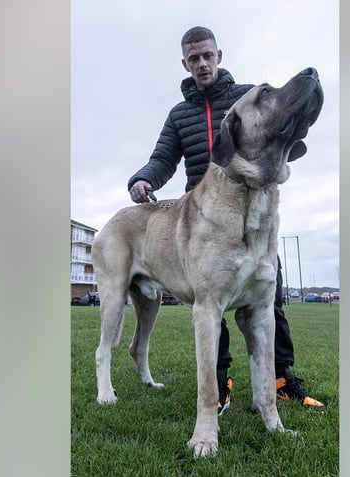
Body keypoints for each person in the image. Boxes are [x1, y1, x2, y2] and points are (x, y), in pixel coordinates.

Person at [128, 26, 325, 413]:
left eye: (207, 55)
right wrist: (143, 178)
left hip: (255, 213)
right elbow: (164, 157)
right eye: (194, 58)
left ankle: (281, 378)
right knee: (211, 308)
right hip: (205, 218)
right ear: (184, 64)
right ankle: (220, 385)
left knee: (271, 301)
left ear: (219, 56)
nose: (202, 63)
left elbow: (274, 133)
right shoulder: (179, 114)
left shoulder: (245, 96)